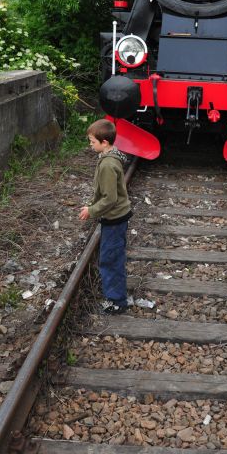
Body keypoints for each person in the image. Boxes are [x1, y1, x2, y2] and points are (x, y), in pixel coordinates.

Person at [79, 119, 132, 314]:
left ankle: (117, 301)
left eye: (92, 141)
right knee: (112, 256)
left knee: (110, 260)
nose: (90, 145)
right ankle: (116, 296)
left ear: (105, 142)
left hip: (114, 218)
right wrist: (93, 204)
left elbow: (110, 198)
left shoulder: (108, 165)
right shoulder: (109, 156)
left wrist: (91, 210)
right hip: (116, 217)